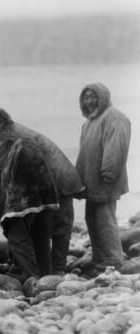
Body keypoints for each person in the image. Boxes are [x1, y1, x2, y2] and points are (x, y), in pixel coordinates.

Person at [0, 106, 84, 274]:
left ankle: (48, 273)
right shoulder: (14, 132)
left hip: (57, 179)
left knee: (56, 229)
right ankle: (48, 272)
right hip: (46, 184)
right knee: (43, 229)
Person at [0, 113, 58, 281]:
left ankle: (33, 280)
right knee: (40, 236)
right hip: (46, 194)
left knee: (18, 238)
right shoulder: (25, 138)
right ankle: (47, 278)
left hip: (17, 196)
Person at [76, 83, 131, 275]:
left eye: (93, 96)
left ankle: (113, 260)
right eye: (86, 97)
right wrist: (78, 181)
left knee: (105, 219)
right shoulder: (90, 122)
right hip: (91, 183)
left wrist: (109, 172)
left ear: (103, 97)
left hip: (106, 180)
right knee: (93, 219)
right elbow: (85, 155)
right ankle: (99, 259)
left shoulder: (114, 117)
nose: (89, 101)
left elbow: (115, 147)